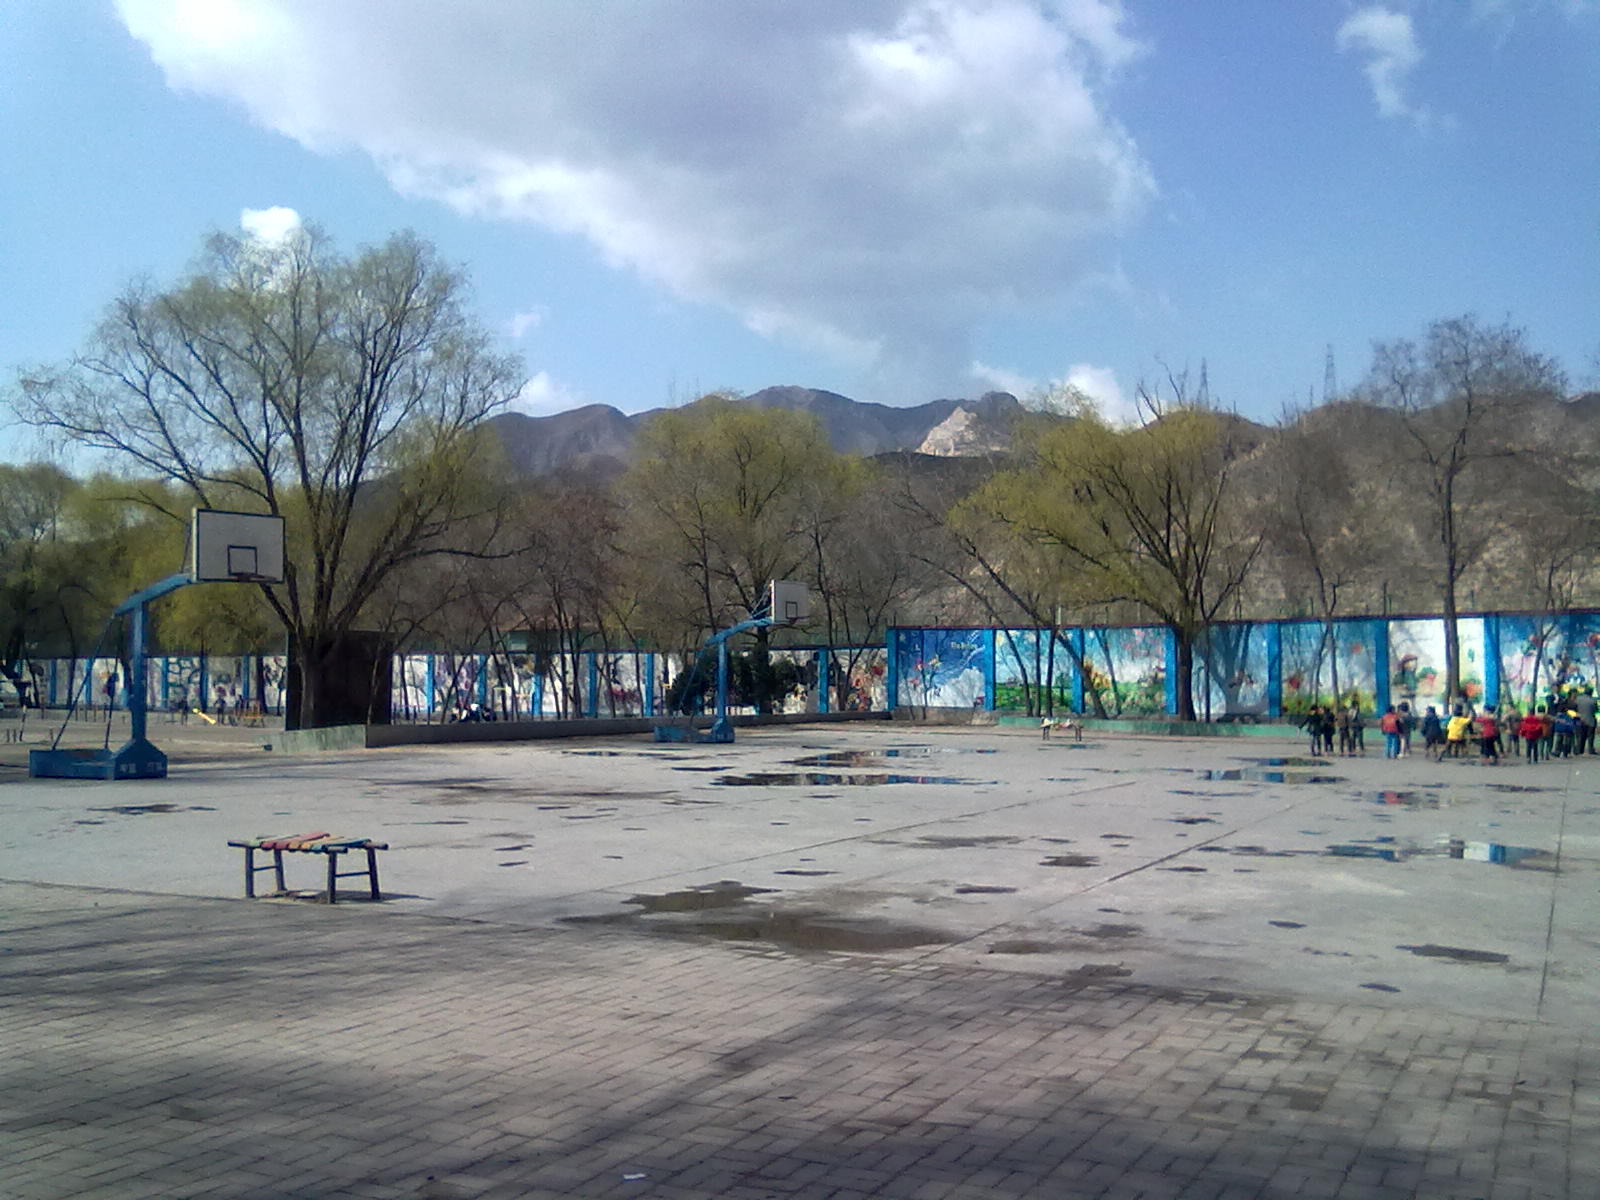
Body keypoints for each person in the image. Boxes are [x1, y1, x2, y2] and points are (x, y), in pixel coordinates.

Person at [1575, 687, 1598, 755]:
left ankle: (1580, 750)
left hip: (1580, 720)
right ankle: (1590, 750)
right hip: (1590, 720)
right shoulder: (1593, 700)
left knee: (1581, 736)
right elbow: (1596, 710)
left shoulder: (1578, 699)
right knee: (1590, 736)